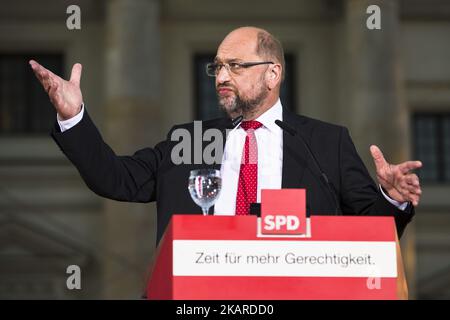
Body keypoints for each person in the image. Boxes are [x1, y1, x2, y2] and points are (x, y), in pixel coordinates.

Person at [29, 26, 422, 243]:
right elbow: (114, 177)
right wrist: (74, 116)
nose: (220, 77)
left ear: (273, 74)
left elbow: (375, 233)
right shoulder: (191, 140)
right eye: (217, 67)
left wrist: (392, 198)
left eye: (235, 66)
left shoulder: (324, 143)